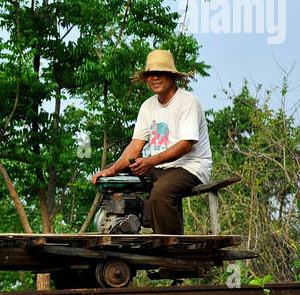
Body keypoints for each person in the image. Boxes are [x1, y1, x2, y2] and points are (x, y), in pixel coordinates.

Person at [90, 50, 212, 235]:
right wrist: (113, 169)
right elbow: (135, 146)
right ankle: (120, 227)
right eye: (150, 74)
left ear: (172, 76)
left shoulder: (188, 102)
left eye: (160, 73)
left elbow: (186, 145)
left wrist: (150, 161)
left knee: (161, 192)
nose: (154, 78)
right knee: (111, 178)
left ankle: (172, 252)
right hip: (160, 167)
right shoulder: (147, 106)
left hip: (190, 167)